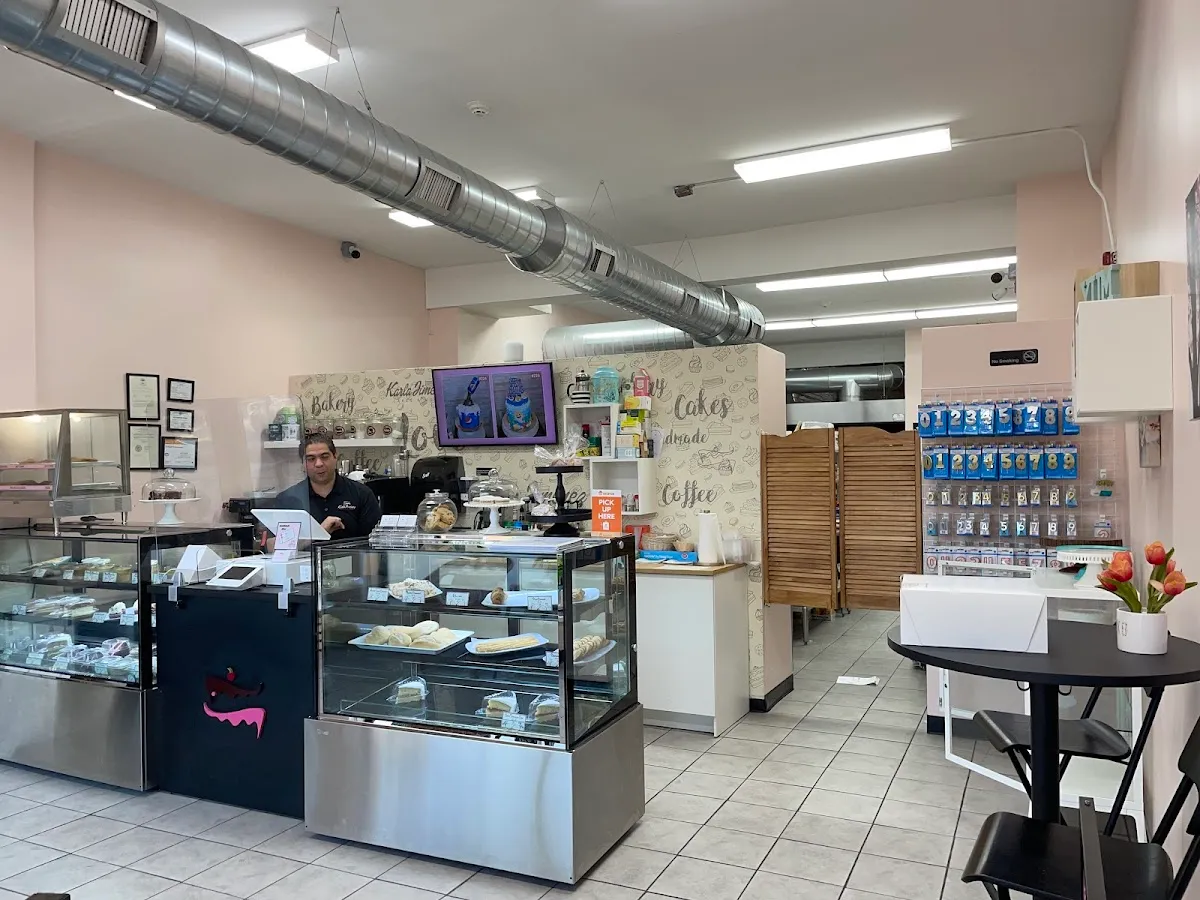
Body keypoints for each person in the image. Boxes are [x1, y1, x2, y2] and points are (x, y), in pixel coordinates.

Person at [274, 435, 382, 540]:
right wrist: (320, 532)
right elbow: (272, 545)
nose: (319, 464)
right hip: (305, 554)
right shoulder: (287, 499)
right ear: (303, 463)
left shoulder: (362, 494)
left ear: (335, 457)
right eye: (311, 459)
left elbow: (376, 541)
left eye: (324, 457)